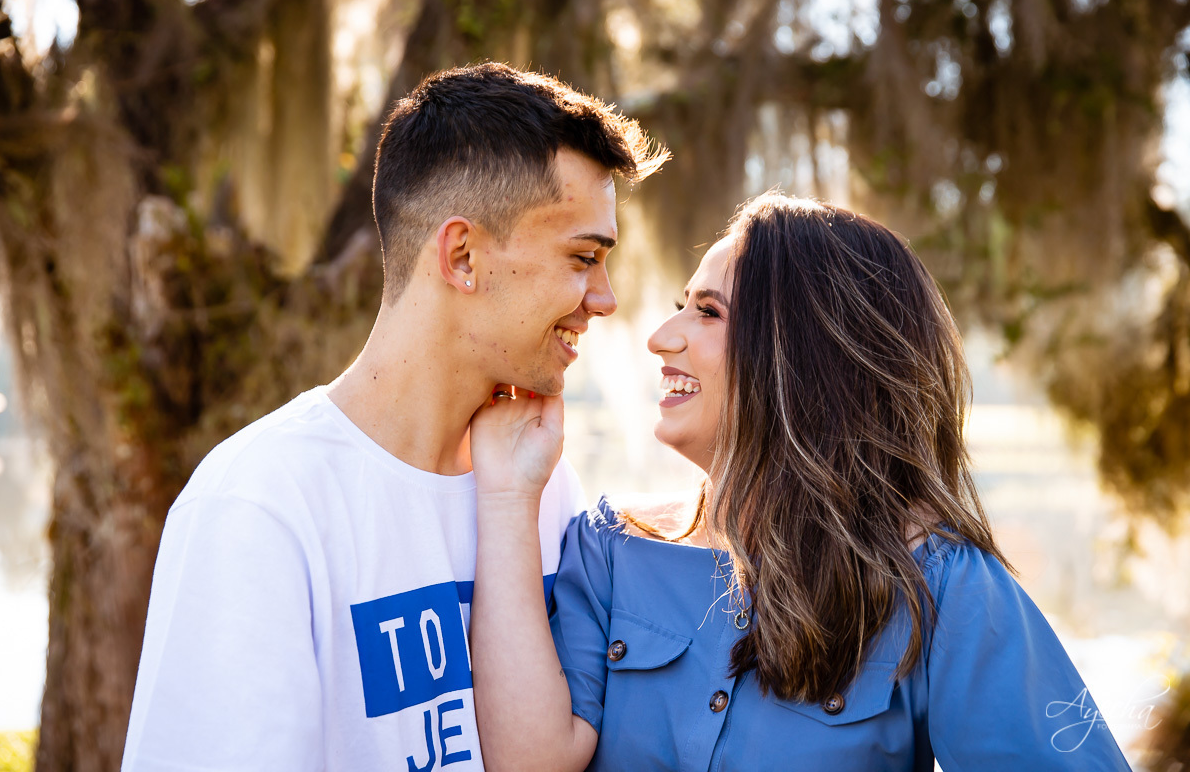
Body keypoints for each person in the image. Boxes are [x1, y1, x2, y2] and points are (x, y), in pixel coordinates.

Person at [121, 62, 666, 771]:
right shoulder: (260, 505)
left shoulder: (541, 485)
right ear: (462, 256)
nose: (605, 299)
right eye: (583, 258)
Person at [468, 193, 1133, 771]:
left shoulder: (939, 584)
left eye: (708, 312)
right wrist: (506, 494)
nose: (662, 337)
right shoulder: (610, 548)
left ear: (806, 355)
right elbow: (529, 762)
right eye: (681, 307)